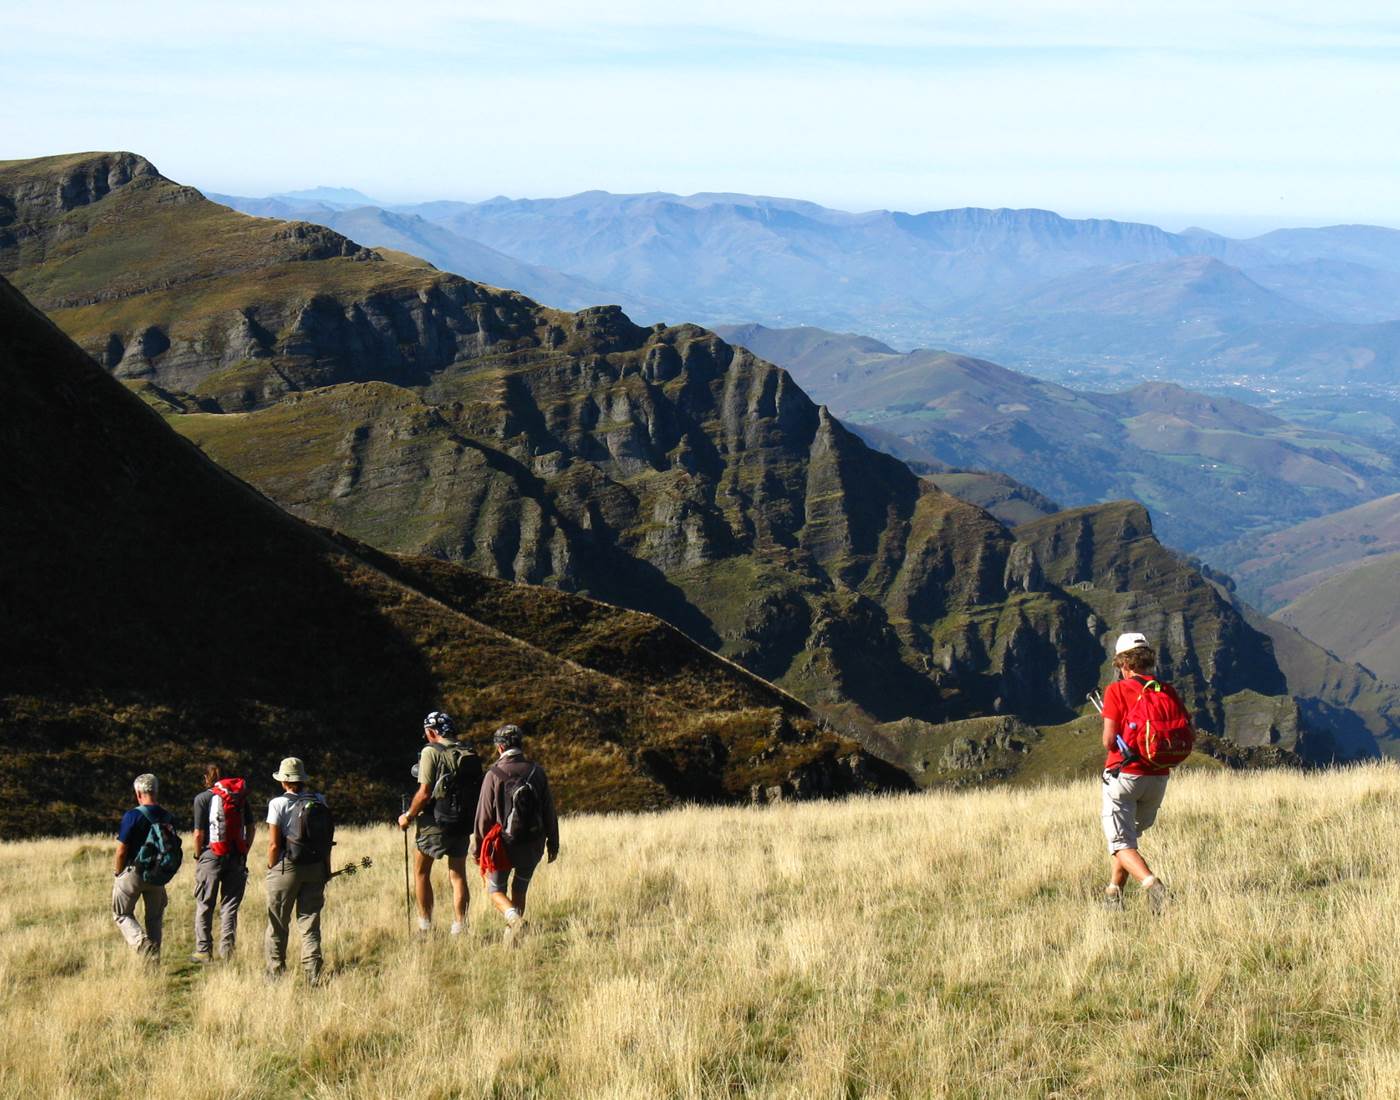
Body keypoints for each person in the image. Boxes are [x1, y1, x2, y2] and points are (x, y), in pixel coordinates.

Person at [1100, 632, 1184, 913]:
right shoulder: (1166, 690)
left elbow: (1109, 741)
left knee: (1121, 842)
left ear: (1123, 663)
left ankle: (1152, 885)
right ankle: (1113, 894)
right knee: (1127, 840)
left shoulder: (1116, 691)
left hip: (1125, 776)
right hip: (1158, 777)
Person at [474, 724, 559, 947]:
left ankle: (514, 921)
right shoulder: (536, 771)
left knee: (494, 890)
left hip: (502, 846)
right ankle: (512, 941)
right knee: (520, 888)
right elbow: (549, 809)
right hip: (533, 843)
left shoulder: (494, 775)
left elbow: (484, 816)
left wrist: (478, 849)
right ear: (520, 744)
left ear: (499, 747)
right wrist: (553, 842)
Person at [398, 711, 482, 936]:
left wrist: (408, 816)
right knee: (458, 874)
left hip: (434, 823)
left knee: (421, 872)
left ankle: (425, 927)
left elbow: (424, 793)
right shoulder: (468, 751)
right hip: (463, 822)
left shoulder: (430, 752)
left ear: (432, 732)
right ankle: (461, 926)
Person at [264, 757, 332, 984]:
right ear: (302, 780)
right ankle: (313, 973)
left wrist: (271, 867)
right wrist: (326, 868)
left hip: (287, 867)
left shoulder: (277, 804)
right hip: (316, 866)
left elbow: (274, 844)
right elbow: (326, 839)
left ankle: (276, 972)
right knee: (310, 922)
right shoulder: (320, 801)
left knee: (277, 922)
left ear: (283, 781)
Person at [190, 763, 256, 963]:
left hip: (211, 854)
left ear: (206, 778)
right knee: (229, 905)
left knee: (205, 903)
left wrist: (197, 855)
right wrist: (244, 849)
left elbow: (198, 833)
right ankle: (227, 951)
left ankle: (203, 950)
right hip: (236, 856)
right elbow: (251, 828)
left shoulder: (202, 798)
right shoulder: (240, 798)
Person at [112, 773, 177, 960]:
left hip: (134, 871)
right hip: (157, 874)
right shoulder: (167, 816)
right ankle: (153, 965)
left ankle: (141, 943)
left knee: (122, 913)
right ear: (156, 791)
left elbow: (121, 850)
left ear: (138, 793)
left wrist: (118, 872)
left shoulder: (132, 816)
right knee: (154, 919)